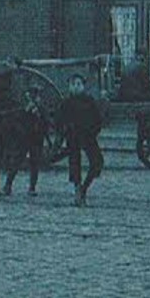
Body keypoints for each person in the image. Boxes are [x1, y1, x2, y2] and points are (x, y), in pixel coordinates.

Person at [56, 73, 104, 206]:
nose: (76, 87)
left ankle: (84, 188)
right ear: (69, 87)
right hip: (73, 137)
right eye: (73, 84)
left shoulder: (89, 101)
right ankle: (78, 190)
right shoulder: (66, 103)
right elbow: (58, 122)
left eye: (79, 84)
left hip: (88, 136)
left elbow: (98, 119)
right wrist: (65, 132)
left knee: (97, 162)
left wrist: (93, 131)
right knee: (74, 165)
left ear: (83, 86)